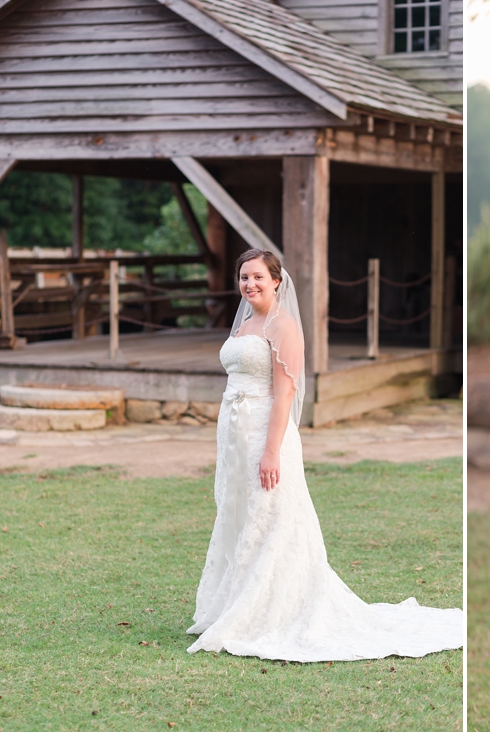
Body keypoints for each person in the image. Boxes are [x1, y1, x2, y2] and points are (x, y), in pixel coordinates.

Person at [187, 248, 463, 662]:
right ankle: (234, 601)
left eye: (259, 277)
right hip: (234, 433)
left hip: (266, 432)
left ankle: (268, 610)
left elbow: (285, 392)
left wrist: (271, 452)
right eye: (244, 277)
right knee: (237, 511)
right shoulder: (245, 322)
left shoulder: (284, 326)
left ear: (276, 281)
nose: (250, 284)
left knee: (270, 515)